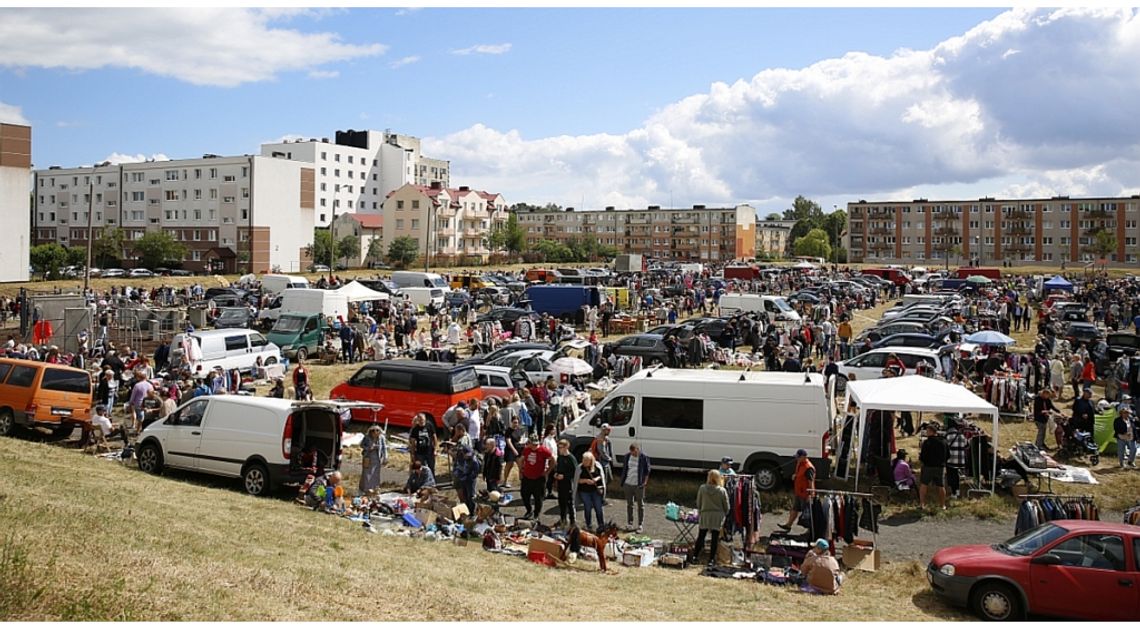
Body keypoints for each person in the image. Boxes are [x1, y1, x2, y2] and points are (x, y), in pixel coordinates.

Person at [688, 469, 729, 566]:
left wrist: (701, 510)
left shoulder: (702, 488)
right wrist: (724, 514)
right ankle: (711, 559)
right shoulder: (722, 491)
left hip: (705, 514)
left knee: (701, 536)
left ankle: (695, 556)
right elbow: (726, 506)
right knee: (715, 538)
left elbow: (699, 502)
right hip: (718, 516)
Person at [779, 449, 815, 532]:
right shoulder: (800, 463)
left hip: (805, 494)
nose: (796, 459)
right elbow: (800, 474)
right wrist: (795, 476)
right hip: (798, 492)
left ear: (803, 457)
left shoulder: (809, 468)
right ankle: (788, 525)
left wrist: (810, 495)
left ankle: (811, 531)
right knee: (794, 509)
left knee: (807, 514)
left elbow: (811, 482)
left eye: (798, 457)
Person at [519, 435, 554, 521]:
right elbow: (521, 460)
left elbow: (552, 460)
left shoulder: (544, 451)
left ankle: (536, 514)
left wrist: (547, 472)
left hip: (539, 478)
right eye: (533, 444)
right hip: (527, 477)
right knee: (524, 495)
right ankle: (529, 510)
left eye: (536, 444)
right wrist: (520, 471)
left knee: (538, 498)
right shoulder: (526, 450)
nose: (534, 446)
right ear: (529, 443)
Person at [619, 443, 651, 532]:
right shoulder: (627, 457)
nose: (633, 454)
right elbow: (625, 469)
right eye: (632, 453)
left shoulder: (643, 457)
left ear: (638, 449)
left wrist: (644, 483)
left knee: (640, 505)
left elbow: (647, 471)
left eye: (634, 452)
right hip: (628, 484)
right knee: (630, 504)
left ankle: (640, 524)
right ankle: (630, 523)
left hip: (639, 485)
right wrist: (623, 482)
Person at [918, 423, 948, 510]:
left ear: (931, 432)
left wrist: (923, 461)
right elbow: (948, 455)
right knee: (941, 486)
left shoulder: (926, 443)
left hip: (928, 466)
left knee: (924, 485)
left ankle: (922, 504)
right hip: (940, 467)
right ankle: (942, 505)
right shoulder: (943, 442)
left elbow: (922, 456)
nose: (926, 433)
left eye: (927, 431)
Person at [575, 451, 606, 532]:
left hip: (595, 491)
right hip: (584, 491)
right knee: (587, 507)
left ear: (591, 460)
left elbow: (601, 476)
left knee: (598, 508)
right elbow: (576, 480)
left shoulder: (597, 465)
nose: (584, 462)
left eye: (586, 461)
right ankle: (588, 525)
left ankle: (601, 525)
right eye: (583, 460)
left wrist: (596, 479)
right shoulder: (580, 467)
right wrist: (586, 481)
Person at [554, 439, 578, 528]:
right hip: (560, 484)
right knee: (561, 502)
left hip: (568, 484)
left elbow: (575, 472)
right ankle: (563, 519)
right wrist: (556, 474)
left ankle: (572, 521)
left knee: (569, 503)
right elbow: (558, 467)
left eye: (561, 447)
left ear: (566, 447)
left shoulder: (571, 458)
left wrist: (564, 476)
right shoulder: (560, 457)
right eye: (558, 447)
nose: (559, 449)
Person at [358, 425, 387, 494]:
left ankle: (375, 487)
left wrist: (385, 457)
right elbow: (361, 445)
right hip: (368, 457)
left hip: (377, 457)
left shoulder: (381, 438)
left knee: (375, 473)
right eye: (374, 431)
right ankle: (366, 488)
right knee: (367, 473)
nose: (375, 433)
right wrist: (368, 448)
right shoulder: (367, 437)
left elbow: (384, 448)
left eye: (377, 431)